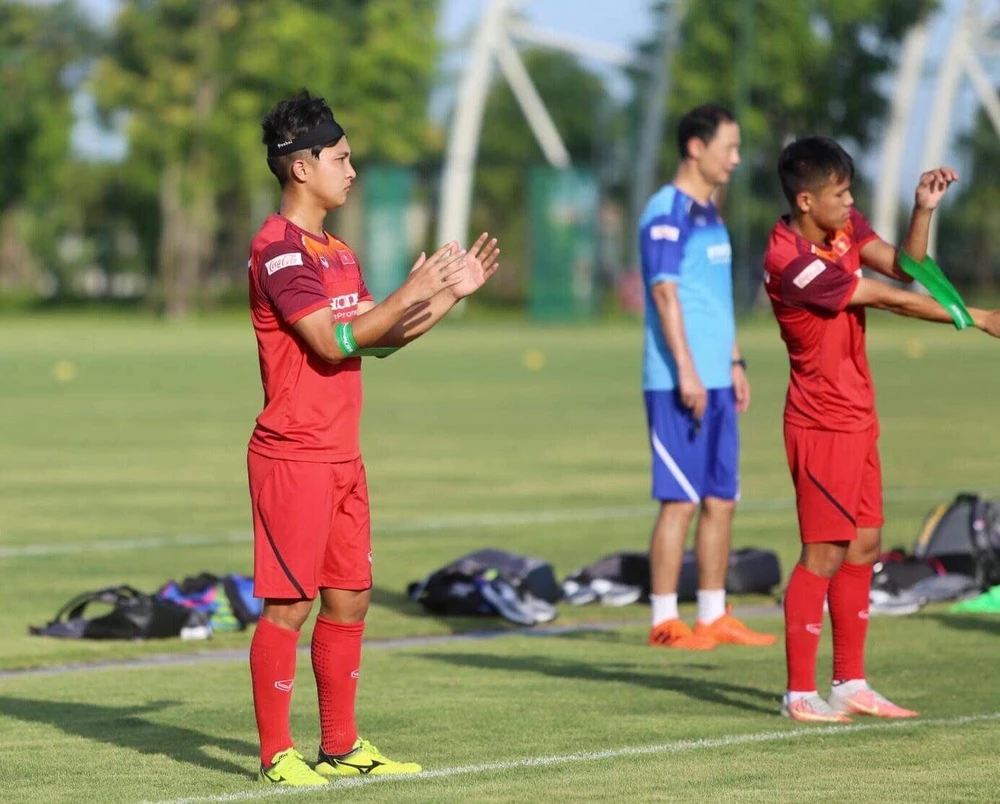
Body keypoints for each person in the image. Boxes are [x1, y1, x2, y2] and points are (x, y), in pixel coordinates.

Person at [246, 90, 499, 786]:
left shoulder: (338, 252)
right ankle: (276, 756)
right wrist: (407, 293)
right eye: (341, 158)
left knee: (351, 596)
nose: (352, 170)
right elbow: (332, 342)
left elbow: (377, 340)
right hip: (293, 454)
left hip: (342, 456)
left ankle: (341, 746)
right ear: (301, 168)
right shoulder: (277, 250)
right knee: (290, 604)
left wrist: (446, 295)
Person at [764, 136, 1000, 722]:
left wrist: (923, 210)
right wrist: (978, 317)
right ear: (805, 200)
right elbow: (890, 299)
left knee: (865, 546)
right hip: (820, 423)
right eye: (840, 194)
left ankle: (849, 682)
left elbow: (906, 268)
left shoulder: (841, 228)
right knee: (822, 554)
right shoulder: (791, 262)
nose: (850, 203)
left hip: (857, 415)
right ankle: (799, 693)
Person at [639, 103, 776, 650]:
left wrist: (734, 362)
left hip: (718, 379)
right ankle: (664, 621)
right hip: (679, 381)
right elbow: (664, 293)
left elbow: (713, 301)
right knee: (680, 501)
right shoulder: (666, 211)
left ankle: (714, 615)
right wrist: (688, 371)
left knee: (722, 499)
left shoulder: (710, 213)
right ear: (697, 147)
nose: (736, 159)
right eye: (729, 147)